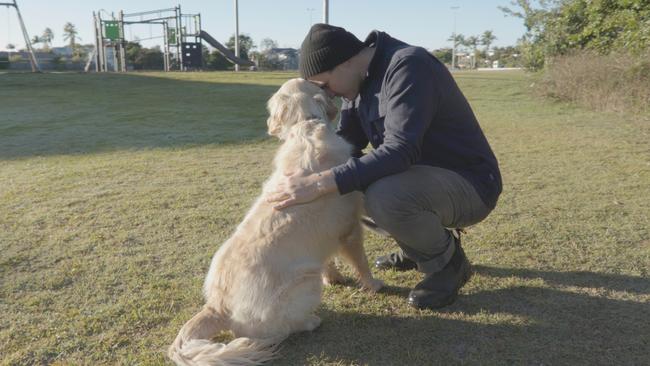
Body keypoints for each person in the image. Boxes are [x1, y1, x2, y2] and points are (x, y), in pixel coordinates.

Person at [266, 24, 502, 309]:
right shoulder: (358, 82)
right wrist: (305, 166)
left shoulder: (409, 66)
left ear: (345, 62)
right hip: (421, 184)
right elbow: (346, 146)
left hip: (470, 185)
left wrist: (317, 183)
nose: (329, 96)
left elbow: (401, 151)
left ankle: (447, 264)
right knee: (346, 183)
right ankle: (418, 247)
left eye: (325, 85)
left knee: (381, 194)